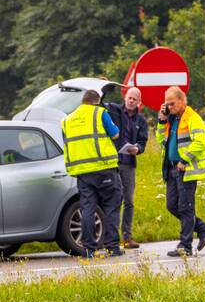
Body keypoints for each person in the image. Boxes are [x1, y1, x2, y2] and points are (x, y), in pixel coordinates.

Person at [61, 89, 123, 257]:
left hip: (82, 172)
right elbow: (116, 134)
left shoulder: (67, 120)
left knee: (87, 209)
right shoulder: (100, 113)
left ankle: (89, 249)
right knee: (111, 207)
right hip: (104, 169)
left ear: (83, 101)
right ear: (96, 101)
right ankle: (112, 247)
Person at [156, 86, 205, 256]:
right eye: (167, 104)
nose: (169, 107)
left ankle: (185, 246)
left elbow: (200, 143)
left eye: (172, 104)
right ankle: (202, 227)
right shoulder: (172, 119)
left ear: (181, 100)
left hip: (186, 169)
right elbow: (161, 141)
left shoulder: (192, 118)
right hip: (172, 168)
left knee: (185, 208)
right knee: (172, 205)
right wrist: (161, 120)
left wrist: (184, 159)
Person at [106, 87, 149, 248]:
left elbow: (143, 142)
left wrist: (138, 148)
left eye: (134, 99)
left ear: (139, 102)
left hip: (129, 164)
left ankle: (127, 236)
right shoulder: (115, 111)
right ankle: (110, 237)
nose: (131, 101)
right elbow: (102, 104)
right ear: (125, 98)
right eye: (129, 98)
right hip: (112, 163)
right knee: (113, 199)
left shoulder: (141, 121)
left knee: (129, 200)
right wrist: (105, 87)